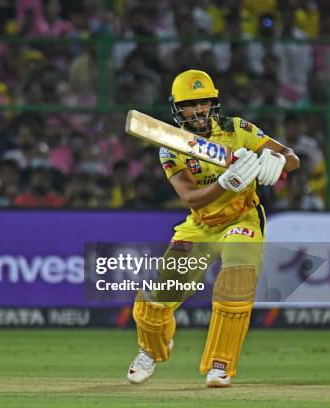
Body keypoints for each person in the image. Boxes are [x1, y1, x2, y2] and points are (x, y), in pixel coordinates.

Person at [126, 70, 300, 387]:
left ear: (213, 102)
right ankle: (151, 350)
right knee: (157, 300)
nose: (198, 110)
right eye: (190, 104)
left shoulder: (238, 129)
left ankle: (220, 365)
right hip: (201, 224)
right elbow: (191, 197)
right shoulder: (171, 145)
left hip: (242, 218)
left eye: (203, 102)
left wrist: (278, 161)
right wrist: (225, 182)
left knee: (235, 288)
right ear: (177, 109)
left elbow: (292, 158)